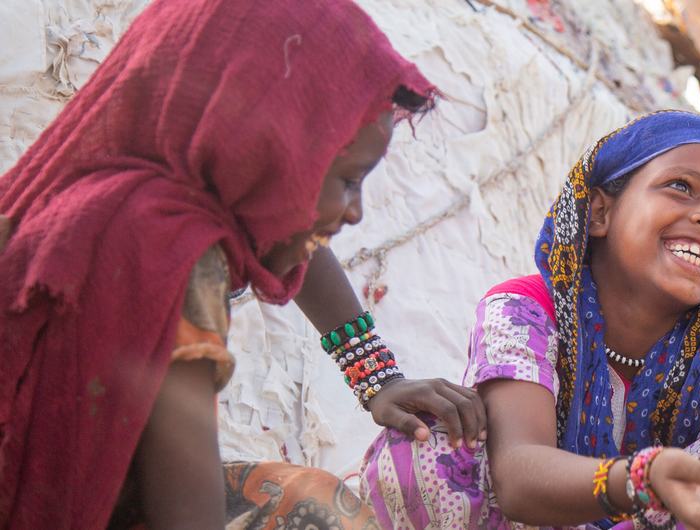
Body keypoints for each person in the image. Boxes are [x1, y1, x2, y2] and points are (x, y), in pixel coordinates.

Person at [0, 0, 485, 527]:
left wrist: (376, 376)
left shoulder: (119, 193)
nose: (356, 212)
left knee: (310, 498)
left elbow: (297, 228)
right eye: (347, 181)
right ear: (265, 152)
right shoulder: (169, 258)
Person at [361, 111, 700, 529]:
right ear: (600, 213)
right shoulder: (525, 309)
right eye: (681, 187)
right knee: (428, 445)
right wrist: (640, 480)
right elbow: (517, 474)